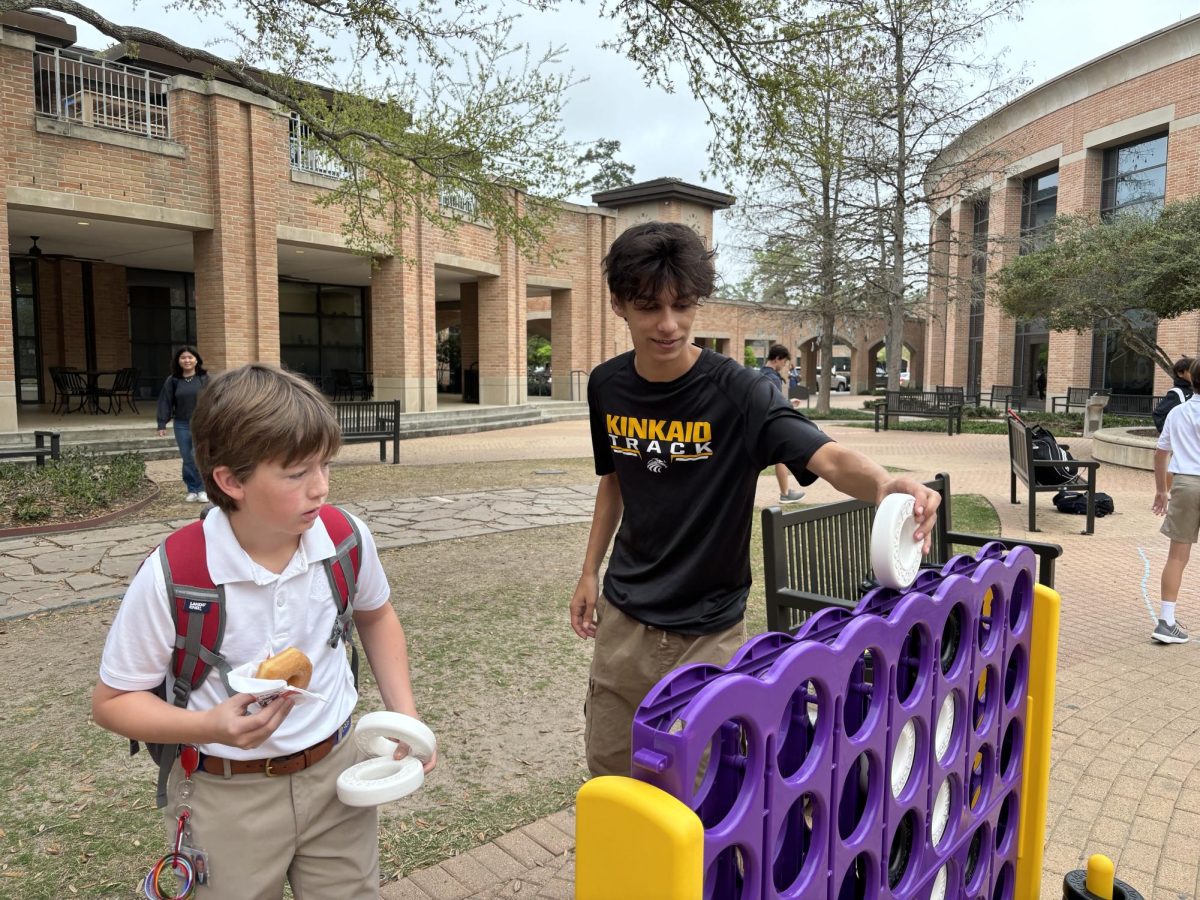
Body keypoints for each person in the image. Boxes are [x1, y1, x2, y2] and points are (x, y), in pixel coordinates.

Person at [569, 221, 940, 776]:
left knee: (699, 799)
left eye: (683, 304)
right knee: (612, 781)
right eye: (649, 308)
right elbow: (615, 480)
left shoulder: (741, 392)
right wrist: (589, 572)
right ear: (619, 304)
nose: (669, 325)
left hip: (709, 634)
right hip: (623, 621)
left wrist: (886, 485)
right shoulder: (607, 386)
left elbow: (829, 458)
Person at [93, 364, 434, 898]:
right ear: (232, 481)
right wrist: (209, 726)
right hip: (224, 790)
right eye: (297, 473)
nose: (321, 488)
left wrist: (405, 714)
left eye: (325, 465)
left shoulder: (343, 538)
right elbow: (113, 701)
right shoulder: (176, 572)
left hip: (338, 775)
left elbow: (376, 614)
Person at [1151, 358, 1200, 645]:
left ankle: (1166, 621)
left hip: (1184, 483)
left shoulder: (1178, 412)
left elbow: (1161, 453)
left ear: (1191, 379)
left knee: (1177, 556)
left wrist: (1161, 490)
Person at [156, 346, 209, 502]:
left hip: (201, 423)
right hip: (181, 424)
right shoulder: (173, 380)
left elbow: (215, 399)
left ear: (196, 360)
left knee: (197, 455)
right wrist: (161, 423)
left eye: (190, 357)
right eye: (183, 358)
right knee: (187, 457)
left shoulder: (205, 379)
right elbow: (165, 401)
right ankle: (192, 489)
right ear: (178, 361)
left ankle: (203, 489)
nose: (187, 360)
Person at [760, 343, 806, 502]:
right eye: (784, 362)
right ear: (777, 359)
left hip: (759, 422)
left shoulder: (760, 374)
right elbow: (773, 404)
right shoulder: (773, 378)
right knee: (782, 456)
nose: (784, 366)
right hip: (770, 424)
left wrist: (786, 402)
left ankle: (785, 492)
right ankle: (785, 493)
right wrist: (788, 405)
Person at [1153, 356, 1194, 435]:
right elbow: (1159, 414)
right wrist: (1173, 434)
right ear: (1180, 373)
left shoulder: (1195, 391)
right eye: (1192, 371)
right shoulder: (1176, 393)